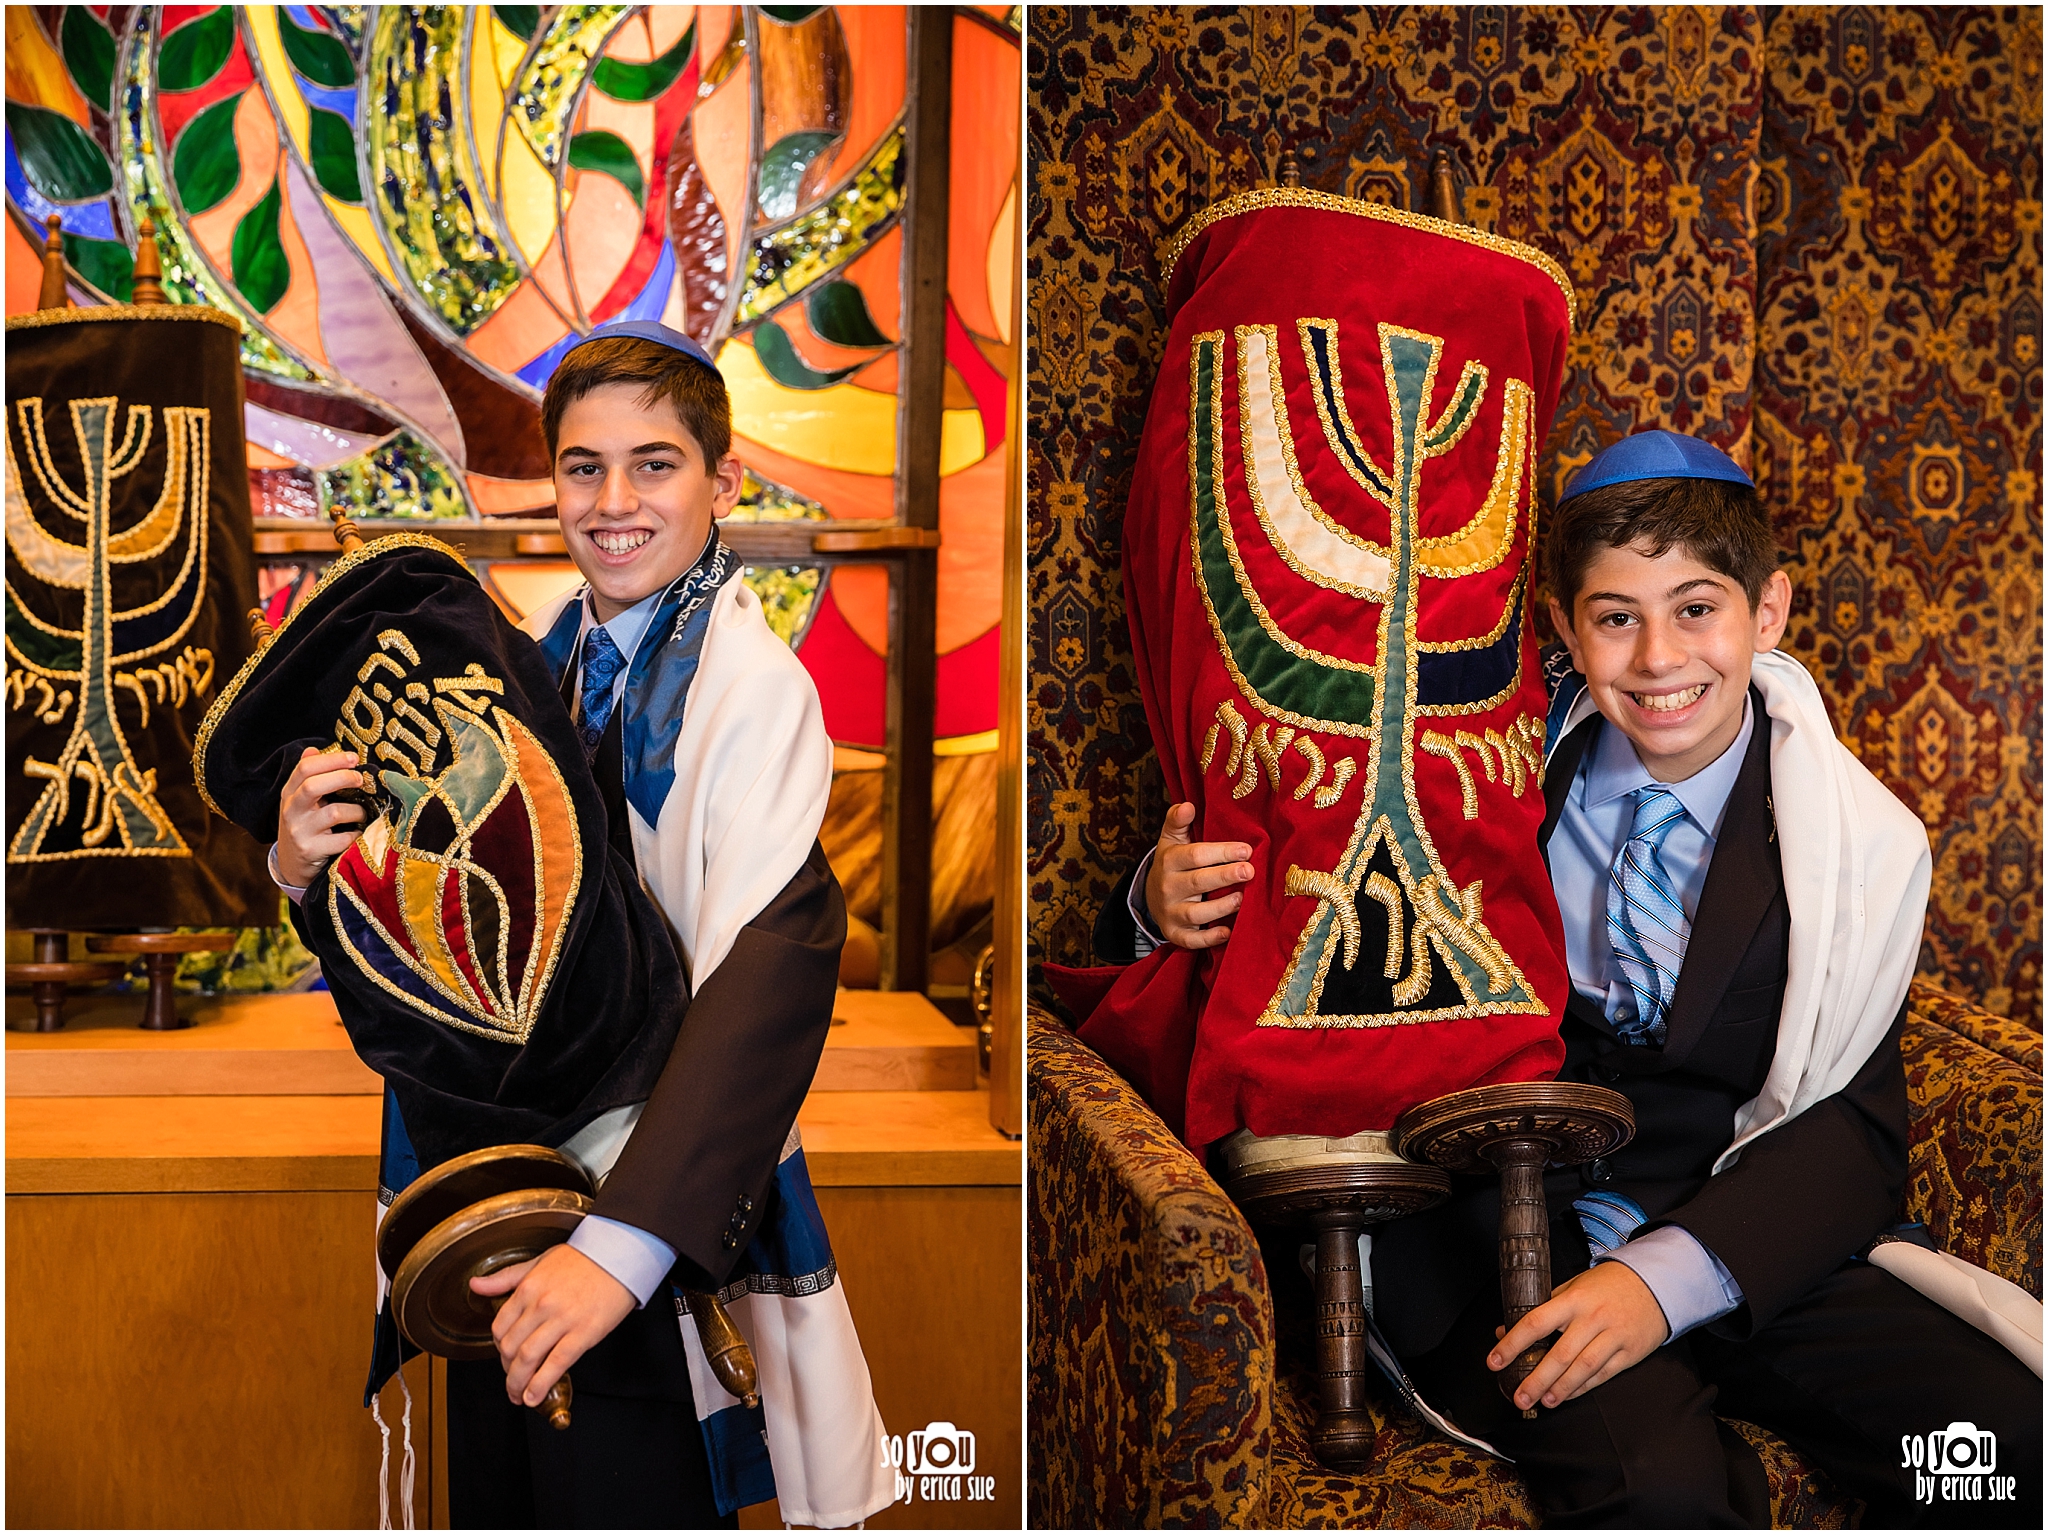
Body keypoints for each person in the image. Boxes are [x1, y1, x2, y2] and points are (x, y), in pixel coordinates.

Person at [1099, 430, 2040, 1527]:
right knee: (1659, 1488)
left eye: (1695, 609)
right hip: (1501, 1239)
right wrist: (1159, 905)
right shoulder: (1469, 775)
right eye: (1614, 616)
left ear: (1766, 611)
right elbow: (1307, 911)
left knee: (1994, 1446)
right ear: (1561, 625)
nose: (1656, 658)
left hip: (1741, 1231)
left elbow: (1855, 1129)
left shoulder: (1856, 846)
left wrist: (1665, 1279)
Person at [271, 319, 892, 1529]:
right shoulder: (527, 663)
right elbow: (438, 930)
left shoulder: (753, 691)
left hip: (635, 1230)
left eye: (653, 463)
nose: (613, 501)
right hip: (498, 1194)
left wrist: (613, 1252)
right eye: (582, 466)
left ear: (721, 480)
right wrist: (309, 866)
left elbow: (762, 989)